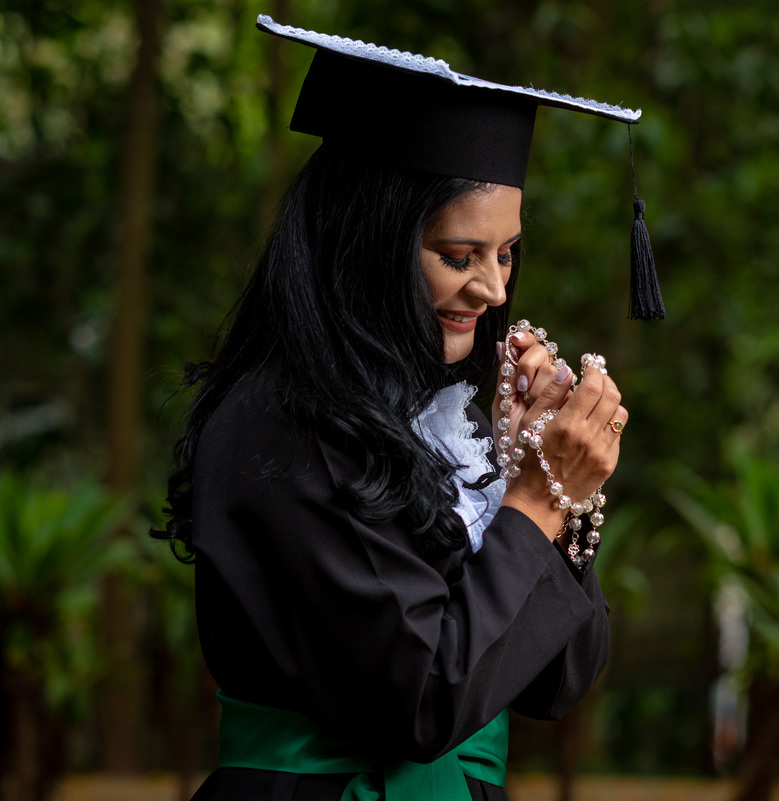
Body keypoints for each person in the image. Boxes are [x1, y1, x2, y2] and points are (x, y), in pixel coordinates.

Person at [154, 15, 660, 801]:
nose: (493, 288)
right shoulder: (283, 425)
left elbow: (555, 682)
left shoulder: (444, 420)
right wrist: (533, 500)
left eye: (506, 253)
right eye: (458, 256)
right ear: (370, 243)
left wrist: (552, 484)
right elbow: (426, 698)